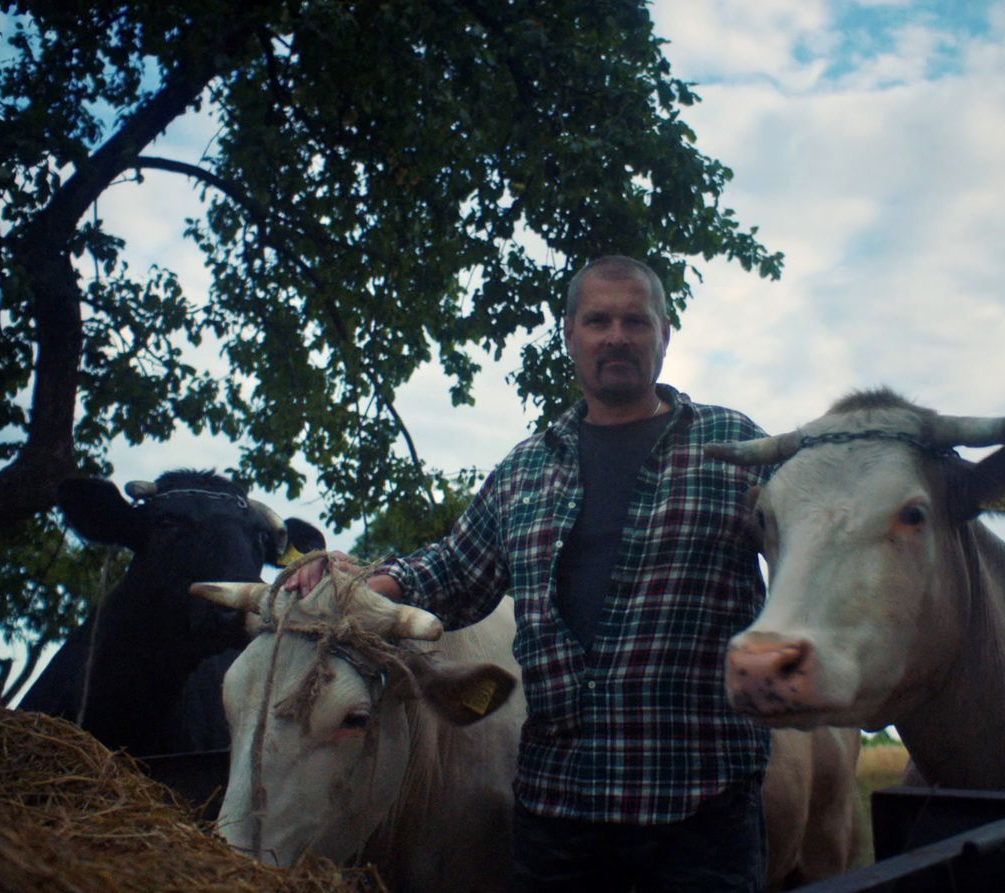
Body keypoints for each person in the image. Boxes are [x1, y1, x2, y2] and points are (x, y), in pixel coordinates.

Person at [288, 256, 774, 892]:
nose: (617, 336)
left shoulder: (735, 449)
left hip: (699, 815)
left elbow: (822, 538)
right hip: (557, 821)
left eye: (636, 320)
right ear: (570, 334)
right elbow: (452, 572)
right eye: (598, 320)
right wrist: (350, 583)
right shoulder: (524, 471)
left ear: (665, 333)